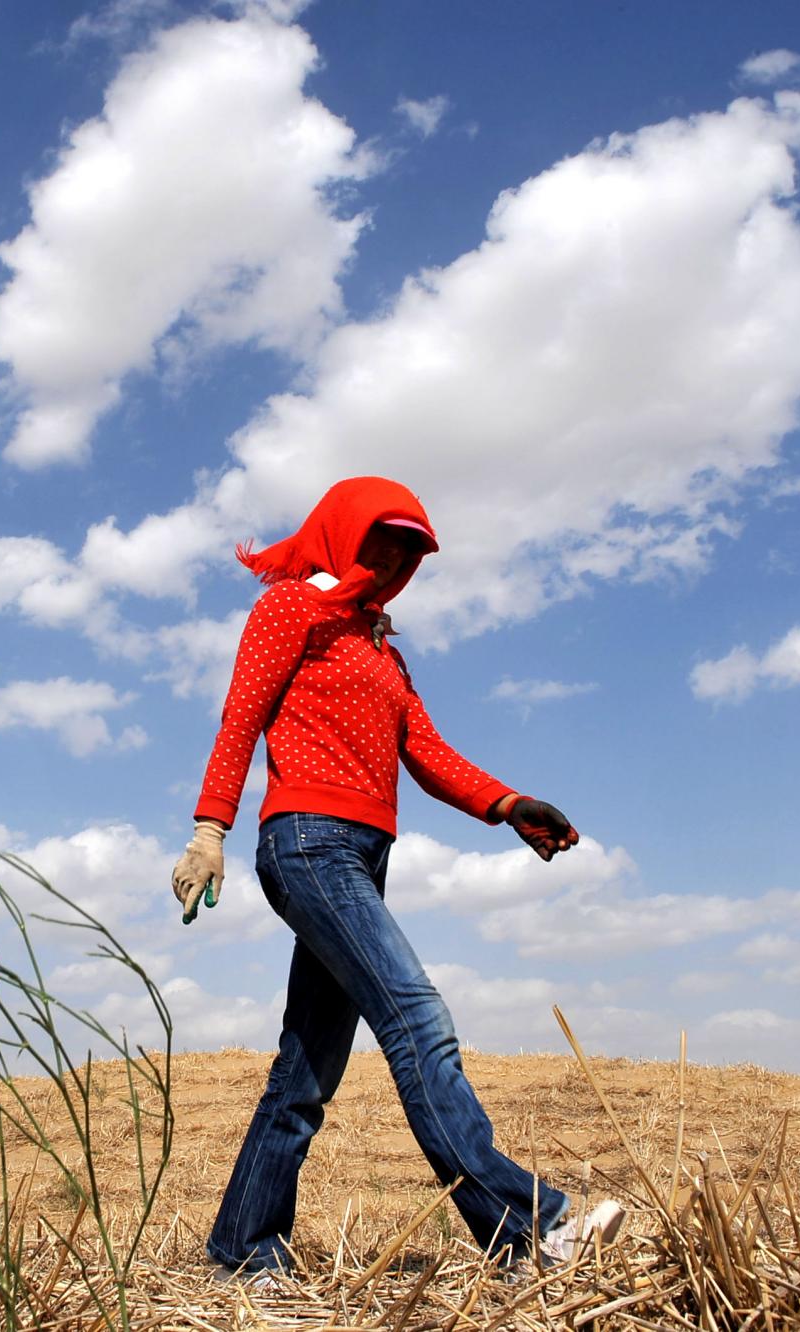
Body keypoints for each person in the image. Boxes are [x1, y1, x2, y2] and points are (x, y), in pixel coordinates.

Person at [171, 476, 623, 1279]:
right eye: (379, 540)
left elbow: (429, 752)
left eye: (408, 549)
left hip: (363, 858)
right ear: (342, 534)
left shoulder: (383, 650)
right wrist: (210, 831)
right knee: (419, 1022)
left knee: (306, 1070)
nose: (391, 560)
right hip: (308, 845)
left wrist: (509, 803)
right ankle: (527, 1229)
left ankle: (242, 1249)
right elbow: (240, 717)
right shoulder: (289, 610)